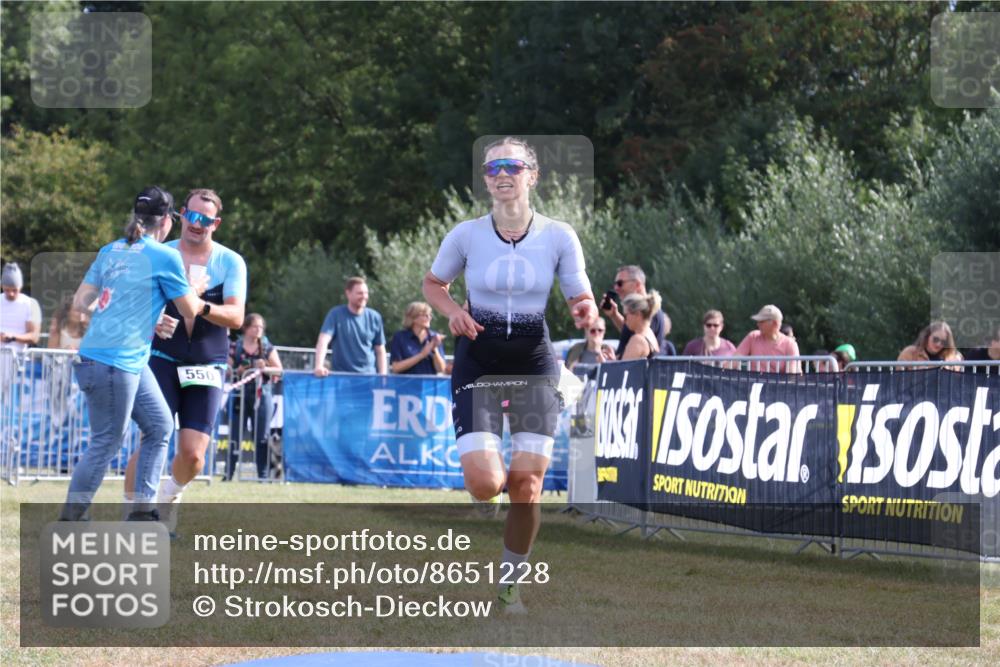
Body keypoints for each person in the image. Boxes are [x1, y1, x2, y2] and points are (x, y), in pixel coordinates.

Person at [422, 136, 598, 614]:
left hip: (535, 366)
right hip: (478, 363)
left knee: (527, 484)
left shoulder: (559, 235)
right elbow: (434, 284)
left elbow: (578, 292)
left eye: (513, 166)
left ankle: (509, 584)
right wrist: (453, 311)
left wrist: (585, 312)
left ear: (532, 175)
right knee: (484, 482)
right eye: (493, 166)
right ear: (485, 179)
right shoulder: (466, 235)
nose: (502, 174)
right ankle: (487, 495)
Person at [60, 186, 211, 521]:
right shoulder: (164, 255)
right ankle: (70, 520)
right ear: (168, 221)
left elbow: (82, 302)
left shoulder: (110, 250)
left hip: (104, 357)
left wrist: (150, 317)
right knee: (105, 443)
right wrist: (198, 292)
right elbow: (189, 309)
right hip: (117, 362)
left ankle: (142, 512)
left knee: (159, 425)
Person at [123, 188, 247, 527]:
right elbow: (131, 308)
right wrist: (153, 319)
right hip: (162, 357)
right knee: (153, 437)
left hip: (207, 363)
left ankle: (169, 497)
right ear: (180, 215)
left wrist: (199, 305)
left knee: (193, 456)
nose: (197, 224)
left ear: (216, 223)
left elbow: (237, 317)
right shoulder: (160, 254)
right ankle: (132, 515)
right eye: (192, 216)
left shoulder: (230, 261)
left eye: (206, 219)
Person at [228, 313, 283, 479]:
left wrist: (265, 367)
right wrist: (236, 371)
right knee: (235, 435)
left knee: (262, 437)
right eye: (255, 327)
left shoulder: (267, 347)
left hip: (262, 395)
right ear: (246, 327)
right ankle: (229, 474)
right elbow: (227, 370)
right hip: (239, 395)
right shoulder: (235, 346)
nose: (259, 330)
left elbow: (279, 369)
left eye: (261, 327)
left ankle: (263, 475)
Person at [313, 277, 387, 376]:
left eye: (366, 293)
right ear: (348, 293)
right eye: (360, 293)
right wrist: (319, 366)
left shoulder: (375, 317)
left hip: (368, 378)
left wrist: (383, 376)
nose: (364, 296)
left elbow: (380, 350)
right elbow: (323, 340)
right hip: (341, 378)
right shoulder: (335, 315)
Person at [601, 264, 671, 358]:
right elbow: (631, 331)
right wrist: (614, 315)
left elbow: (638, 343)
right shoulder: (642, 316)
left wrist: (612, 365)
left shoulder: (651, 314)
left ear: (637, 284)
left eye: (620, 283)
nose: (616, 288)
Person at [734, 304, 801, 373]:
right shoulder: (752, 337)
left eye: (761, 321)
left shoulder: (790, 344)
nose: (758, 324)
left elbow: (792, 376)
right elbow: (732, 362)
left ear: (775, 323)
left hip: (778, 383)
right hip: (753, 383)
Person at [389, 301, 446, 375]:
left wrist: (434, 350)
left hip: (429, 385)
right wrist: (422, 355)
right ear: (413, 318)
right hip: (407, 385)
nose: (429, 318)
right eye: (425, 315)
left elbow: (441, 369)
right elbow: (396, 368)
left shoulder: (434, 337)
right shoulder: (400, 337)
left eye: (429, 315)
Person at [0, 262, 41, 350]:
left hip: (18, 358)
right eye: (7, 290)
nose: (11, 293)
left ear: (20, 286)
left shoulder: (31, 304)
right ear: (2, 286)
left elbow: (34, 336)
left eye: (15, 290)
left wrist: (13, 337)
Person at [620, 292, 663, 360]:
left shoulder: (638, 340)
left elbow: (621, 370)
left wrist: (604, 363)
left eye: (626, 315)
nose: (625, 320)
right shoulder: (650, 334)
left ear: (637, 314)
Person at [898, 321, 963, 365]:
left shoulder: (954, 358)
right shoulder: (910, 353)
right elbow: (898, 378)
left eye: (943, 342)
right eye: (935, 339)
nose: (938, 344)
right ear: (927, 336)